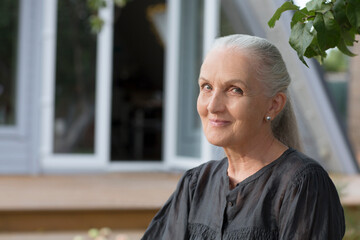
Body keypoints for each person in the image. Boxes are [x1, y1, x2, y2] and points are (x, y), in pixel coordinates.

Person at [141, 34, 345, 240]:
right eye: (207, 87)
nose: (212, 105)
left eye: (235, 90)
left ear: (274, 105)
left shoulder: (302, 184)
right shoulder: (195, 185)